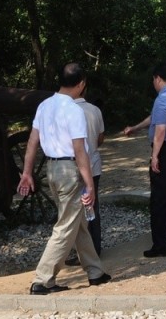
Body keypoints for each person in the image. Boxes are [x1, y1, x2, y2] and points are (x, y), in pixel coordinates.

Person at [18, 62, 111, 295]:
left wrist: (27, 172)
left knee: (77, 222)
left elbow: (32, 142)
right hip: (70, 170)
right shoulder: (74, 110)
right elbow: (80, 150)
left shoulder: (44, 106)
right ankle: (42, 279)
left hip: (52, 169)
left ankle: (95, 272)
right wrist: (89, 184)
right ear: (81, 84)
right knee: (65, 225)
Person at [122, 63, 166, 257]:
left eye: (153, 79)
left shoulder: (162, 99)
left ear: (158, 78)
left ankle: (160, 245)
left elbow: (160, 129)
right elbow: (154, 118)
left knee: (160, 199)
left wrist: (155, 156)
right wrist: (135, 128)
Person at [72, 81, 105, 259]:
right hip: (94, 164)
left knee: (76, 210)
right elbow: (100, 138)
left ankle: (82, 253)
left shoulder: (68, 111)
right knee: (93, 206)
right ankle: (96, 248)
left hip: (75, 167)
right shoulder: (95, 110)